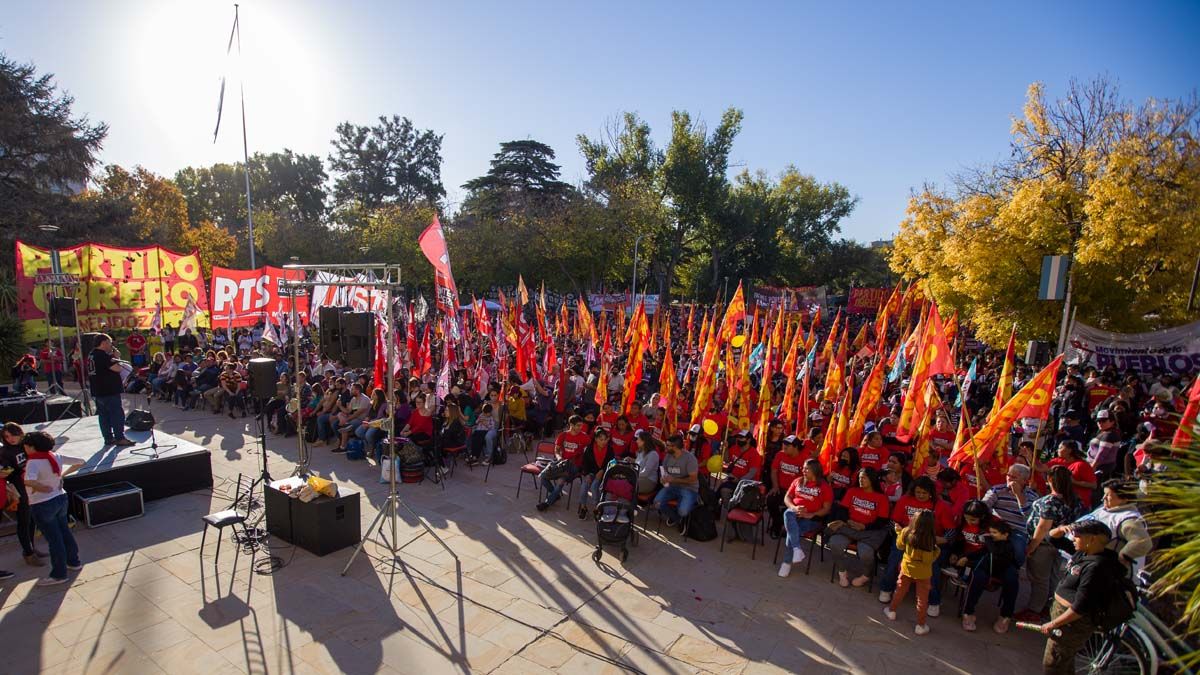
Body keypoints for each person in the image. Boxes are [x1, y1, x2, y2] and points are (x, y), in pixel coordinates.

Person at [1039, 520, 1126, 675]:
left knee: (1053, 664)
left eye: (1077, 536)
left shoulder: (1097, 567)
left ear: (1092, 539)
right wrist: (1061, 529)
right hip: (1064, 618)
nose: (1073, 539)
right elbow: (1050, 539)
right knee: (1064, 663)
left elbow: (1080, 607)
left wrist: (1053, 624)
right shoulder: (1083, 552)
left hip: (1071, 624)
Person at [1018, 466, 1084, 622]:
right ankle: (1048, 608)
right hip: (1062, 546)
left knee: (1039, 579)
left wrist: (1031, 546)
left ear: (1050, 480)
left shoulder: (1050, 501)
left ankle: (1034, 610)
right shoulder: (1076, 501)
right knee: (1053, 578)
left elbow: (1043, 527)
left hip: (1044, 544)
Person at [22, 430, 84, 586]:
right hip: (61, 499)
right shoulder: (55, 456)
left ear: (31, 447)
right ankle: (74, 562)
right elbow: (80, 461)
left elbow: (29, 481)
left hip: (42, 503)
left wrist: (42, 488)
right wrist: (61, 476)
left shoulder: (33, 462)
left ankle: (59, 574)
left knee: (54, 539)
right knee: (64, 532)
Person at [1051, 479, 1151, 572]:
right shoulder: (1107, 509)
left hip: (1101, 573)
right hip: (1077, 560)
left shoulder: (1128, 518)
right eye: (1104, 494)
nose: (1103, 498)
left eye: (1108, 495)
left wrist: (1120, 559)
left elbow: (1142, 542)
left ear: (1124, 499)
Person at [827, 468, 891, 588]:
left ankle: (866, 576)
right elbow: (843, 510)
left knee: (865, 552)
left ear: (872, 480)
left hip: (870, 531)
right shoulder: (852, 491)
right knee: (835, 543)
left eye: (864, 478)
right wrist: (848, 521)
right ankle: (842, 572)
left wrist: (864, 526)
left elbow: (882, 521)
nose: (861, 480)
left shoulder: (882, 498)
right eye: (860, 478)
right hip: (849, 527)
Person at [883, 509, 938, 635]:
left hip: (906, 569)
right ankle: (920, 625)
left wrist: (898, 532)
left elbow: (899, 546)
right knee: (922, 600)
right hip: (923, 574)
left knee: (900, 590)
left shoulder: (906, 532)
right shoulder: (930, 540)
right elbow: (928, 560)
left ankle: (891, 611)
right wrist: (937, 552)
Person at [961, 518, 1019, 633]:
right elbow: (982, 552)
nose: (991, 535)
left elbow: (995, 552)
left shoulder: (1008, 545)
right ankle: (968, 612)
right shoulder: (991, 543)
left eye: (994, 533)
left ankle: (1005, 616)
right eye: (990, 532)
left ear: (1005, 535)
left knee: (1012, 580)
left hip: (1004, 568)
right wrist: (966, 557)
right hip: (988, 567)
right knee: (977, 577)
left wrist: (987, 539)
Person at [1, 422, 46, 567]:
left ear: (20, 433)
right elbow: (7, 473)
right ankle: (28, 553)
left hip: (32, 486)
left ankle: (31, 548)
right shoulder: (5, 452)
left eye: (13, 435)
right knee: (24, 521)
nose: (11, 439)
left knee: (32, 520)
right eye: (7, 436)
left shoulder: (26, 445)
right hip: (20, 489)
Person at [778, 459, 832, 577]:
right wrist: (794, 507)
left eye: (806, 468)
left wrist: (811, 514)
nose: (803, 470)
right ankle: (797, 549)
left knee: (792, 532)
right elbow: (787, 497)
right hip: (794, 514)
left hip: (812, 519)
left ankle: (787, 562)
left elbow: (826, 509)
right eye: (803, 468)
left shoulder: (824, 487)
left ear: (815, 471)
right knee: (788, 513)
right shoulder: (798, 481)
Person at [87, 334, 134, 447]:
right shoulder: (103, 355)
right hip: (109, 389)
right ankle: (119, 438)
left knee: (103, 415)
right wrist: (115, 356)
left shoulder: (91, 354)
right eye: (110, 342)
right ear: (103, 343)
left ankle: (108, 438)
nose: (111, 345)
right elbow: (117, 368)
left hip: (98, 390)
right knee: (116, 414)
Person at [536, 415, 588, 511]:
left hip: (574, 465)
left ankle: (547, 503)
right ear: (571, 425)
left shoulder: (585, 437)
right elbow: (557, 450)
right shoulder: (563, 435)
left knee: (560, 481)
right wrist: (559, 458)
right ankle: (555, 495)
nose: (580, 428)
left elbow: (589, 453)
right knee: (542, 477)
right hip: (561, 463)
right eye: (578, 425)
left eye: (581, 425)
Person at [653, 430, 700, 529]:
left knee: (683, 511)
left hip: (689, 488)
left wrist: (673, 480)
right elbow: (664, 471)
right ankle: (676, 517)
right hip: (671, 487)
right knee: (657, 503)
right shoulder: (668, 456)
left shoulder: (690, 459)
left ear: (675, 447)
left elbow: (693, 479)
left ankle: (686, 510)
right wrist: (663, 478)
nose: (666, 447)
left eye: (668, 445)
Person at [767, 435, 807, 539]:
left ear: (796, 447)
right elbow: (774, 471)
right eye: (783, 446)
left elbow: (807, 480)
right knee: (770, 500)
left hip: (796, 493)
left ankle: (782, 527)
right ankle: (778, 524)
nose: (783, 449)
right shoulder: (780, 455)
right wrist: (775, 486)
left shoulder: (805, 459)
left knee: (789, 509)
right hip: (780, 488)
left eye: (787, 447)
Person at [1046, 440, 1096, 508]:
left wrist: (1074, 482)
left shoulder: (1082, 465)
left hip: (1079, 504)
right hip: (1063, 501)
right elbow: (1042, 468)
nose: (1058, 450)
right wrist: (1029, 457)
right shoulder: (1057, 461)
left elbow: (1093, 485)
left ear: (1069, 450)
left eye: (1060, 448)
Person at [579, 427, 616, 519]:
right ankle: (583, 507)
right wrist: (586, 474)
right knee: (584, 486)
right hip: (590, 472)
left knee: (594, 486)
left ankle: (597, 508)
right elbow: (584, 463)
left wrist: (603, 470)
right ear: (596, 439)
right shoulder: (589, 448)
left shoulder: (610, 450)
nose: (604, 442)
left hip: (604, 474)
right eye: (601, 439)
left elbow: (612, 463)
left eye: (605, 439)